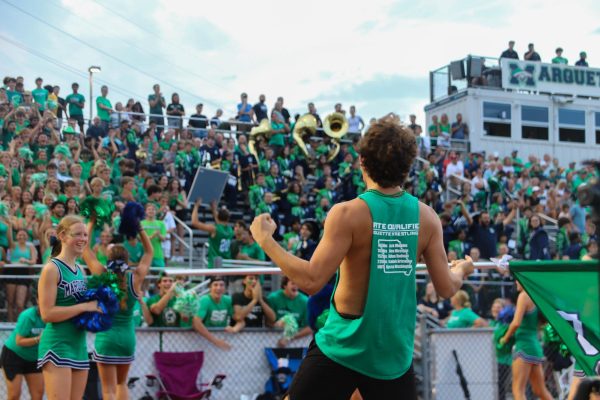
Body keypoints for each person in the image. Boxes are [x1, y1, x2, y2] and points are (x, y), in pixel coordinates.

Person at [250, 115, 474, 399]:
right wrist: (462, 269)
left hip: (343, 348)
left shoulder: (347, 213)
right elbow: (446, 287)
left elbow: (310, 280)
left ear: (362, 161)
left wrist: (265, 240)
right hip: (392, 354)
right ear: (407, 167)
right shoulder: (427, 218)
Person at [37, 216, 104, 399]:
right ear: (62, 236)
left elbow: (80, 307)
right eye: (77, 234)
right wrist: (84, 307)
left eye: (85, 235)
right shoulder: (52, 269)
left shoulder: (80, 270)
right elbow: (47, 313)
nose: (83, 239)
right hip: (58, 344)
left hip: (78, 344)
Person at [85, 220, 153, 400]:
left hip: (106, 338)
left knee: (108, 390)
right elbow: (149, 252)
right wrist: (139, 229)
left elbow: (85, 249)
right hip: (127, 338)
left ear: (108, 259)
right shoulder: (135, 277)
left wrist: (91, 223)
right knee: (121, 384)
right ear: (127, 259)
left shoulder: (100, 273)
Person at [500, 282, 553, 400]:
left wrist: (505, 338)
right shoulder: (535, 295)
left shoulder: (524, 296)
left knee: (518, 389)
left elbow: (516, 323)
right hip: (535, 347)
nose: (515, 282)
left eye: (517, 279)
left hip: (524, 346)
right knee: (539, 390)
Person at [0, 302, 45, 400]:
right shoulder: (28, 316)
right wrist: (38, 339)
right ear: (38, 300)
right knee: (14, 395)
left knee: (38, 395)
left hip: (34, 357)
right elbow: (19, 341)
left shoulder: (53, 317)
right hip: (14, 356)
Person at [192, 276, 238, 350]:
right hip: (204, 338)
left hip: (223, 336)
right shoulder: (205, 300)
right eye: (215, 285)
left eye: (221, 285)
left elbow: (240, 320)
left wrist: (234, 328)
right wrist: (216, 341)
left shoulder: (228, 300)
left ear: (225, 288)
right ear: (210, 287)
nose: (218, 288)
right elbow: (196, 323)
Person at [267, 276, 312, 348]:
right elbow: (267, 322)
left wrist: (288, 337)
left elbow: (310, 327)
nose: (296, 286)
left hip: (298, 343)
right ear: (285, 285)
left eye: (297, 283)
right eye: (293, 283)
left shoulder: (305, 301)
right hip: (272, 340)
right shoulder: (273, 298)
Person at [191, 199, 233, 268]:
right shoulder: (230, 230)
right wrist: (214, 209)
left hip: (215, 265)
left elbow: (194, 222)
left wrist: (196, 206)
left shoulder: (214, 229)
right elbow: (219, 221)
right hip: (226, 265)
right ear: (228, 219)